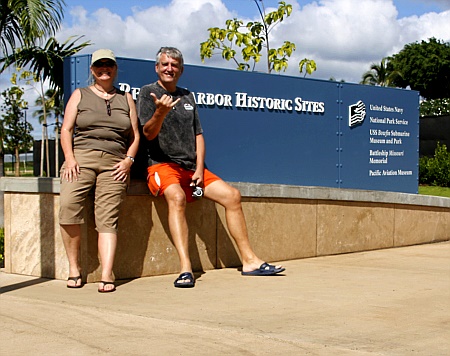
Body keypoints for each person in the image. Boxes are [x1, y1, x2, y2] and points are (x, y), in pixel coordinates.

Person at [137, 47, 285, 288]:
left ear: (181, 70)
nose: (169, 69)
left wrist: (198, 170)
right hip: (162, 168)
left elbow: (198, 135)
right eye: (164, 64)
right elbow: (148, 133)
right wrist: (160, 113)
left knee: (232, 196)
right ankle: (186, 269)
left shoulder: (187, 96)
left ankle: (249, 262)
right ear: (157, 67)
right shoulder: (147, 93)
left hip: (192, 173)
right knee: (176, 198)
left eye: (174, 65)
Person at [59, 49, 140, 293]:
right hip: (81, 158)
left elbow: (134, 135)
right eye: (99, 65)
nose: (104, 69)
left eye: (109, 65)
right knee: (68, 208)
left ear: (115, 69)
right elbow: (66, 130)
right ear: (92, 70)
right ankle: (74, 268)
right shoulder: (80, 95)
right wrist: (70, 159)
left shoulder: (126, 98)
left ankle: (107, 274)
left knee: (108, 217)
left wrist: (128, 161)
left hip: (114, 163)